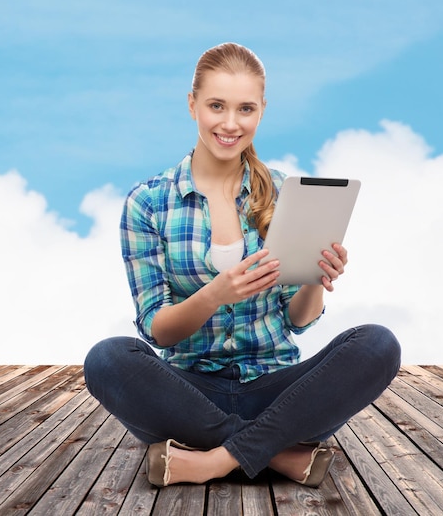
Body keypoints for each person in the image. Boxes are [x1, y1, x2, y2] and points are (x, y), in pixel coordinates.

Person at [84, 42, 401, 488]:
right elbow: (158, 330)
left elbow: (298, 322)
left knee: (378, 344)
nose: (230, 124)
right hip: (188, 395)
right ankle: (277, 454)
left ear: (262, 111)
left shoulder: (285, 192)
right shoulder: (149, 203)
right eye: (217, 106)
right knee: (107, 359)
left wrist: (316, 278)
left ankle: (214, 460)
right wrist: (217, 293)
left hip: (280, 393)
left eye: (245, 109)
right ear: (192, 104)